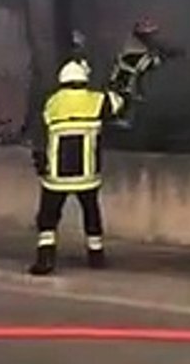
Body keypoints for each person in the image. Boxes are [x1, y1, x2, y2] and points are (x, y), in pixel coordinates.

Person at [28, 60, 125, 276]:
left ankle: (45, 258)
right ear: (84, 80)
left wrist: (39, 164)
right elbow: (119, 103)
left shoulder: (52, 103)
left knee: (48, 217)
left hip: (56, 176)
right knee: (91, 213)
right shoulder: (97, 100)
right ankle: (96, 256)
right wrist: (110, 83)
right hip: (87, 175)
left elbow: (38, 137)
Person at [106, 18, 183, 125]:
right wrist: (169, 54)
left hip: (128, 90)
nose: (152, 39)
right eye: (149, 36)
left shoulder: (137, 48)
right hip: (120, 91)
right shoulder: (133, 50)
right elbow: (149, 64)